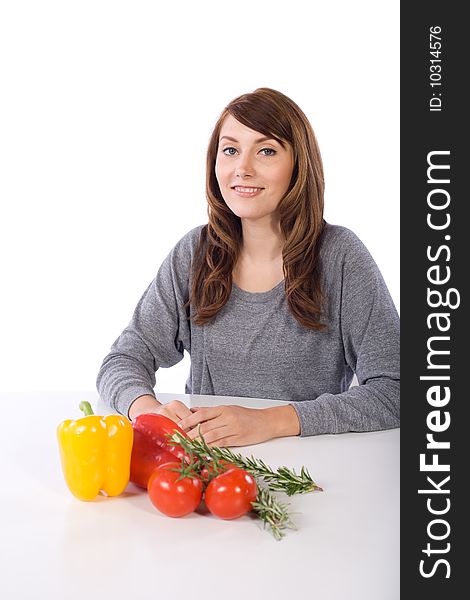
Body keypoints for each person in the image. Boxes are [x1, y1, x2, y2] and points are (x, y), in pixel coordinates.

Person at [96, 87, 400, 447]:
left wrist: (271, 421)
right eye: (230, 150)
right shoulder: (195, 253)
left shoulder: (340, 256)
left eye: (266, 151)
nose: (243, 168)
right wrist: (146, 409)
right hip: (208, 468)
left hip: (312, 471)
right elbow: (123, 360)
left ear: (298, 165)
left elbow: (395, 390)